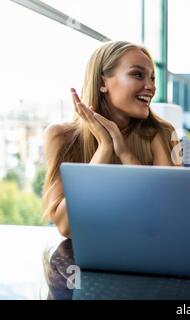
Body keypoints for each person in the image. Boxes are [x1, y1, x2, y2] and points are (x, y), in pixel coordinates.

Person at [42, 41, 180, 238]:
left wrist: (125, 153)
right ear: (102, 83)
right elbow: (66, 226)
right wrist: (104, 148)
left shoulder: (163, 132)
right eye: (137, 74)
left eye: (152, 77)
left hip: (150, 252)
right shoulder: (60, 136)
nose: (150, 86)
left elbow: (170, 214)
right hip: (87, 258)